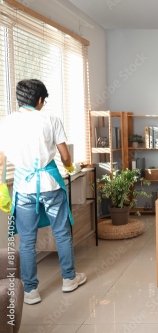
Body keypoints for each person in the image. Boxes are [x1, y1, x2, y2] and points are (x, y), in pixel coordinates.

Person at [0, 79, 86, 305]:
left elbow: (1, 160)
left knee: (27, 241)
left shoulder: (7, 123)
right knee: (62, 232)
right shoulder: (51, 119)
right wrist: (69, 167)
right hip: (50, 185)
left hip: (23, 188)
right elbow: (65, 155)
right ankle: (69, 279)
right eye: (43, 100)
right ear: (39, 99)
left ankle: (30, 291)